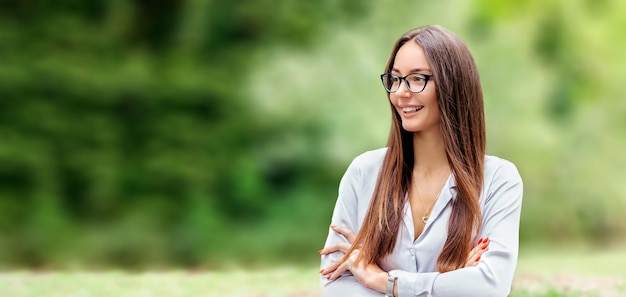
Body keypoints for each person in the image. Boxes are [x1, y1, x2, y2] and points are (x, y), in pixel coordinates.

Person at [319, 25, 523, 297]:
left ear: (453, 85)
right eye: (395, 79)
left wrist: (386, 282)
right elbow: (336, 282)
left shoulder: (499, 179)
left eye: (417, 79)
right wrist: (449, 282)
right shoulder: (363, 173)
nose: (401, 92)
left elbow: (490, 285)